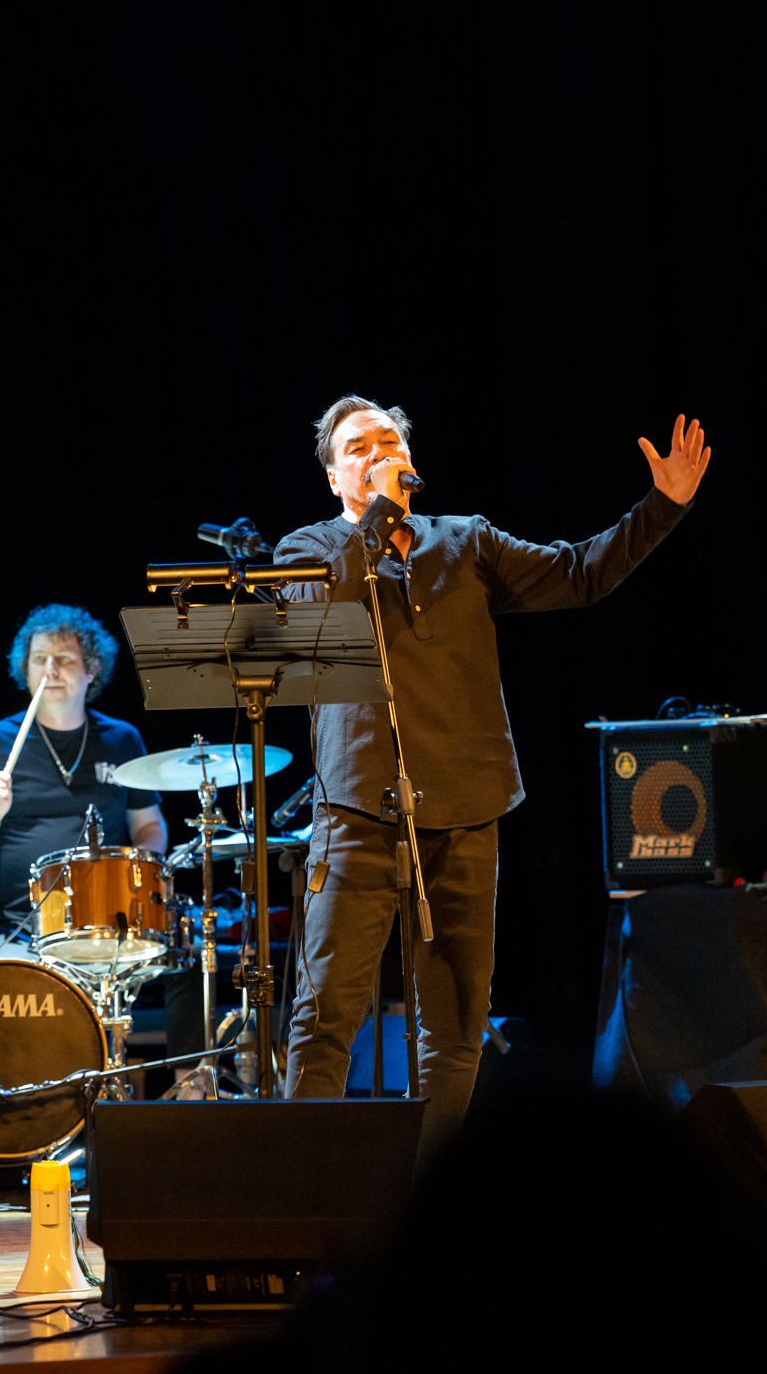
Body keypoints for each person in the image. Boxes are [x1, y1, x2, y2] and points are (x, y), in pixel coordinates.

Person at [275, 395, 711, 1163]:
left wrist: (663, 508)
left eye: (389, 441)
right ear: (335, 479)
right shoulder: (308, 550)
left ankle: (426, 1197)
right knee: (325, 1019)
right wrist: (377, 518)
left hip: (468, 805)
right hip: (356, 812)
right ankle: (302, 1193)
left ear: (412, 458)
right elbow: (316, 615)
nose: (377, 453)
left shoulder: (465, 540)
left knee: (454, 1026)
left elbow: (579, 573)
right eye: (358, 448)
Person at [0, 605, 166, 955]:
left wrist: (132, 874)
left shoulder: (122, 740)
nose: (51, 670)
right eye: (39, 659)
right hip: (18, 928)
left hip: (107, 923)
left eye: (64, 658)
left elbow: (149, 825)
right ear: (26, 671)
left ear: (91, 670)